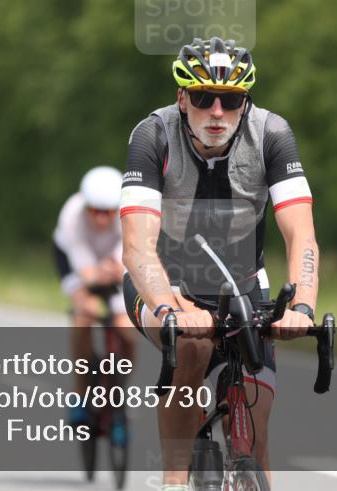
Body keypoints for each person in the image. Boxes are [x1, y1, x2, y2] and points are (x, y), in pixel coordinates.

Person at [120, 37, 320, 489]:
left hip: (243, 288)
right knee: (191, 348)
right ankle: (174, 481)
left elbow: (301, 233)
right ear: (181, 97)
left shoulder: (271, 134)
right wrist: (169, 308)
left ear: (244, 102)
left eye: (230, 101)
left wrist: (303, 306)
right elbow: (136, 245)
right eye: (202, 97)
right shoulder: (152, 135)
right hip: (164, 284)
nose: (216, 112)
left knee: (257, 428)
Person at [53, 166, 136, 441]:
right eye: (94, 211)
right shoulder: (71, 216)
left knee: (127, 329)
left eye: (108, 211)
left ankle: (117, 398)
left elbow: (128, 259)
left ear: (117, 208)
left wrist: (115, 270)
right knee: (84, 313)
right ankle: (79, 394)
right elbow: (86, 272)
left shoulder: (129, 214)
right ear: (85, 206)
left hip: (114, 267)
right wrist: (98, 274)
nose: (101, 218)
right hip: (74, 262)